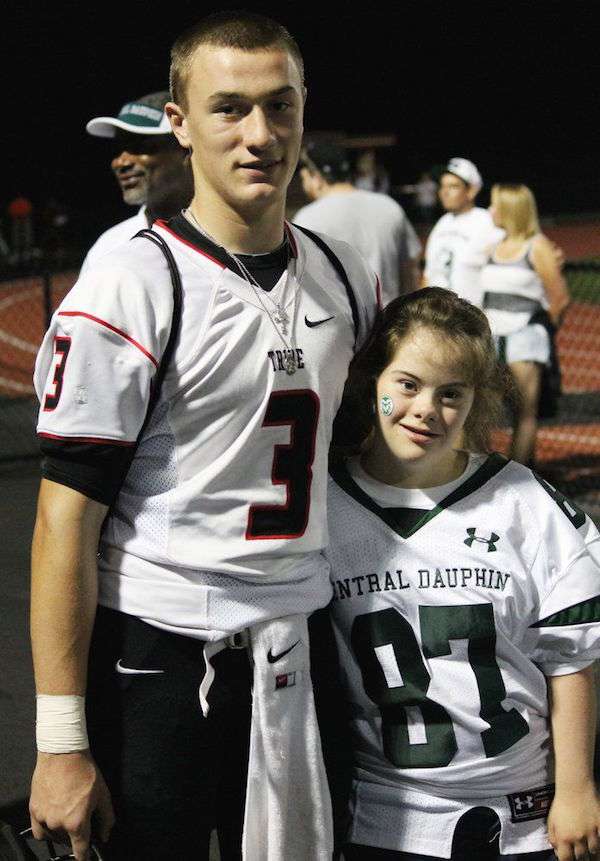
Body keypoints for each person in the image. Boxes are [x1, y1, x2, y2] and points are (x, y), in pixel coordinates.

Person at [29, 11, 379, 861]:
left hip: (302, 635)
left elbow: (358, 460)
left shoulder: (344, 272)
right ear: (180, 123)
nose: (260, 134)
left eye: (279, 105)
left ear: (304, 109)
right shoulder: (133, 278)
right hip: (163, 651)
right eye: (229, 108)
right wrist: (60, 742)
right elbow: (63, 521)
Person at [326, 288, 600, 861]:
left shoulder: (523, 502)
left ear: (476, 402)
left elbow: (570, 657)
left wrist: (576, 787)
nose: (427, 408)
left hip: (520, 807)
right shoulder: (324, 503)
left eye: (451, 394)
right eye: (408, 384)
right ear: (371, 381)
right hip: (380, 810)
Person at [481, 184, 570, 466]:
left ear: (511, 210)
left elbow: (559, 299)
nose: (491, 211)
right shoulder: (494, 246)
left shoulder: (537, 246)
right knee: (481, 410)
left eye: (496, 205)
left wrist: (542, 332)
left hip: (524, 340)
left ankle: (519, 476)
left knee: (524, 413)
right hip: (492, 340)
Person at [294, 141, 421, 304]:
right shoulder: (389, 207)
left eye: (304, 178)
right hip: (390, 316)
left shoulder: (307, 218)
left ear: (316, 178)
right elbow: (410, 271)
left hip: (338, 319)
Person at [80, 91, 190, 273]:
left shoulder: (235, 232)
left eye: (140, 146)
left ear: (185, 148)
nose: (120, 162)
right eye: (119, 148)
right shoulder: (108, 248)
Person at [422, 158, 503, 306]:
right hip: (437, 314)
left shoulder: (487, 221)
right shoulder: (442, 223)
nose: (445, 192)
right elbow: (428, 274)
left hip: (473, 314)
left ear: (471, 191)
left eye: (453, 186)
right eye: (442, 186)